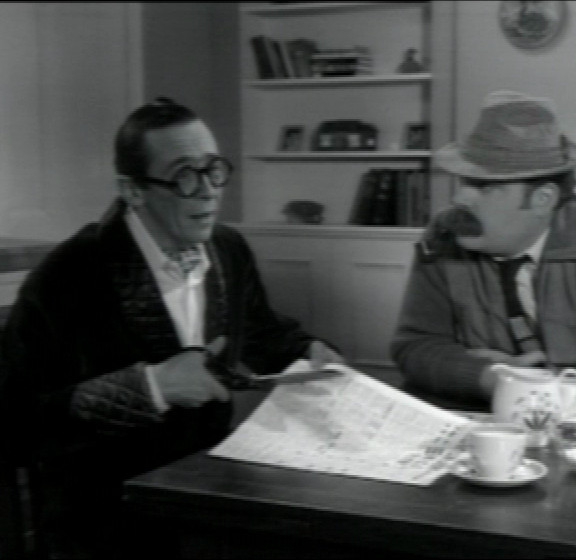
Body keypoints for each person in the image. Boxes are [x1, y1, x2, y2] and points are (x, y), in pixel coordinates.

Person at [0, 97, 342, 558]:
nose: (209, 191)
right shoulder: (69, 276)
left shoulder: (228, 249)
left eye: (213, 169)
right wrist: (152, 386)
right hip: (107, 521)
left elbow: (261, 331)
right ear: (133, 190)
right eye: (184, 175)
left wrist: (312, 351)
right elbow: (15, 422)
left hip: (207, 496)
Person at [391, 90, 576, 414]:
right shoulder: (444, 235)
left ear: (543, 199)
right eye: (463, 181)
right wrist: (489, 378)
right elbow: (413, 346)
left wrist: (537, 384)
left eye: (484, 187)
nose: (460, 198)